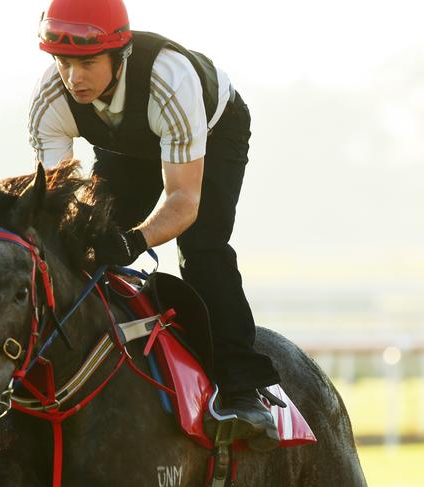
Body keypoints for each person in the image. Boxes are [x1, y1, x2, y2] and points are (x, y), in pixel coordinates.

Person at [28, 0, 281, 450]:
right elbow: (54, 207)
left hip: (212, 129)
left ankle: (244, 390)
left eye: (87, 62)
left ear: (119, 54)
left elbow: (183, 203)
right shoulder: (51, 100)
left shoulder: (170, 80)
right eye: (63, 63)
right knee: (81, 243)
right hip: (126, 145)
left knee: (201, 249)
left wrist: (133, 241)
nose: (74, 78)